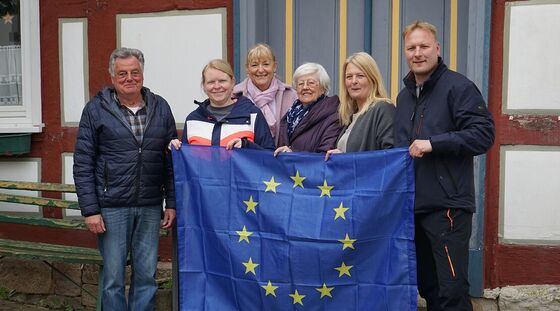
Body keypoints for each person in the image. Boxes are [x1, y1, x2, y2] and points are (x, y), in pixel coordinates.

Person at [393, 21, 495, 311]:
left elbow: (483, 135)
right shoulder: (403, 97)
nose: (417, 53)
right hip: (414, 207)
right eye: (411, 48)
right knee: (430, 287)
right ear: (405, 52)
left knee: (452, 290)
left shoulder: (459, 87)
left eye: (424, 46)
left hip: (447, 207)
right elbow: (398, 151)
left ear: (437, 48)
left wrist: (433, 143)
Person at [73, 47, 177, 310]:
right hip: (111, 208)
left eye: (135, 72)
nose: (129, 78)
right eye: (122, 73)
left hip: (150, 206)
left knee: (146, 276)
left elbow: (171, 160)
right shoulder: (95, 110)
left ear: (142, 74)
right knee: (113, 279)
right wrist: (91, 210)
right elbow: (83, 163)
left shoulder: (160, 107)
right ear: (112, 76)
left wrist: (171, 202)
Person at [170, 59, 274, 150]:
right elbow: (185, 163)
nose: (217, 86)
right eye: (211, 82)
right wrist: (175, 149)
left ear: (233, 82)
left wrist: (246, 145)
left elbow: (268, 156)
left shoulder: (253, 114)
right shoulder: (193, 119)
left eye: (222, 81)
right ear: (204, 86)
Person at [325, 52, 395, 160]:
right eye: (349, 77)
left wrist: (345, 159)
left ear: (372, 79)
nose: (353, 81)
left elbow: (391, 157)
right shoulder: (349, 116)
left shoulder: (383, 109)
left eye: (360, 76)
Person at [233, 43, 297, 146]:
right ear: (247, 68)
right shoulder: (235, 95)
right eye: (254, 65)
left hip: (280, 159)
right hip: (245, 158)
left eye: (266, 64)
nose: (261, 70)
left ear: (274, 67)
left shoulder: (291, 96)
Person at [274, 62, 341, 154]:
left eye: (311, 83)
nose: (305, 87)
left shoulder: (333, 116)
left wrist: (293, 154)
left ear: (323, 87)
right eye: (301, 83)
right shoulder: (290, 115)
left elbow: (326, 154)